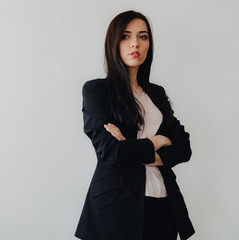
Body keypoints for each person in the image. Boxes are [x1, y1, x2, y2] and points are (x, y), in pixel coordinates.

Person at [74, 10, 195, 240]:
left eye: (143, 36)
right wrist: (158, 141)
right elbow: (111, 151)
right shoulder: (97, 91)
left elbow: (183, 147)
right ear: (114, 43)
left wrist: (132, 147)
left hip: (163, 203)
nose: (135, 44)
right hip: (116, 207)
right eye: (126, 36)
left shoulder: (157, 94)